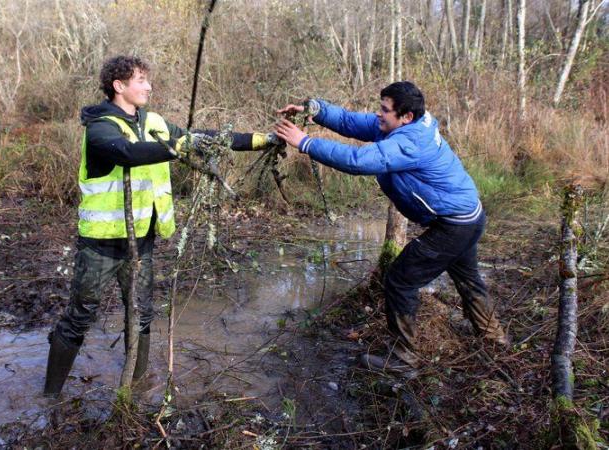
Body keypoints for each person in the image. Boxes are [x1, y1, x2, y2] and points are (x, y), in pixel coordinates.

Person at [44, 55, 280, 397]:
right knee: (80, 317)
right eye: (141, 80)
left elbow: (200, 138)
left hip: (142, 244)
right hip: (101, 245)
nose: (148, 86)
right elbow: (125, 152)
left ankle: (135, 391)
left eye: (147, 79)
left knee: (140, 315)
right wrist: (175, 147)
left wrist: (260, 139)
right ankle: (49, 397)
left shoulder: (152, 121)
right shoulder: (100, 126)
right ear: (119, 86)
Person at [274, 81, 507, 371]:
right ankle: (495, 341)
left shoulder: (409, 142)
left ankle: (403, 358)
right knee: (468, 278)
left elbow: (358, 161)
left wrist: (306, 143)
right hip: (467, 215)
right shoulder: (403, 125)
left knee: (400, 279)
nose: (378, 114)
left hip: (454, 225)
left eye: (385, 110)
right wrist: (317, 109)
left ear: (406, 116)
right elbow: (350, 121)